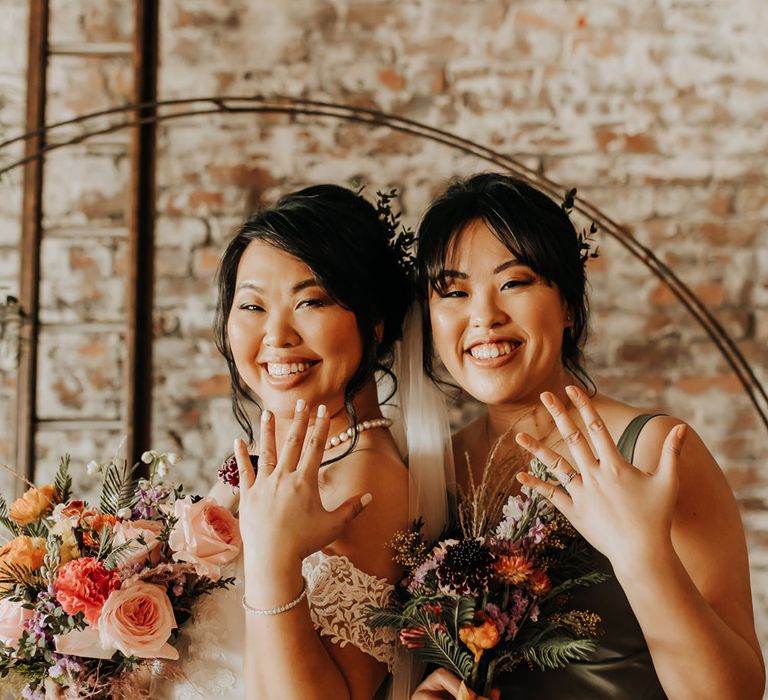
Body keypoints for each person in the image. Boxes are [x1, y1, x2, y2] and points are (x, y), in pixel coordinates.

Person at [410, 173, 765, 699]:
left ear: (569, 306)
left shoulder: (652, 451)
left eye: (514, 282)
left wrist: (641, 553)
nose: (484, 316)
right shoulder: (430, 470)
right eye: (455, 292)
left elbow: (733, 693)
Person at [157, 184, 448, 700]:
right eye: (251, 306)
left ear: (375, 323)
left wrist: (273, 556)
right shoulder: (277, 461)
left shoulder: (367, 483)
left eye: (310, 301)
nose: (276, 335)